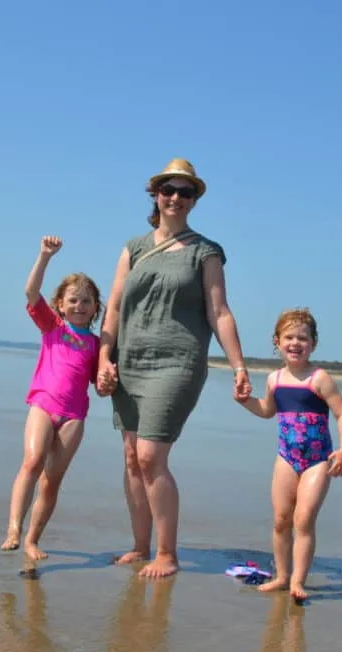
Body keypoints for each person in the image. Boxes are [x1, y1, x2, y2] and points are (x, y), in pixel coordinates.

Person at [96, 158, 252, 579]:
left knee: (150, 455)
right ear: (156, 195)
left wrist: (239, 364)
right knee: (131, 457)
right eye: (169, 190)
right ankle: (139, 546)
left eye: (186, 192)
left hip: (177, 362)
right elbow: (112, 307)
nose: (176, 198)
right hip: (130, 360)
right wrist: (103, 360)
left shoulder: (206, 252)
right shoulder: (133, 248)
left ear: (195, 200)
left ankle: (167, 554)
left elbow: (219, 312)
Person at [235, 308, 342, 601]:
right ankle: (282, 576)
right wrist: (245, 401)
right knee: (281, 519)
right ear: (276, 341)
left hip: (318, 460)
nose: (295, 343)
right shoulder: (275, 379)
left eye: (303, 337)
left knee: (303, 519)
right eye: (289, 337)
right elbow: (267, 411)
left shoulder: (319, 378)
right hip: (286, 457)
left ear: (313, 343)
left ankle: (298, 582)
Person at [1, 235, 104, 563]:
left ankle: (32, 539)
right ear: (60, 304)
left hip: (74, 416)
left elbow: (99, 387)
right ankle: (14, 529)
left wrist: (108, 379)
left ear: (95, 308)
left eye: (86, 301)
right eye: (73, 300)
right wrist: (44, 256)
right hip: (44, 405)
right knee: (31, 463)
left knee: (52, 480)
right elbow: (31, 294)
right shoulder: (52, 327)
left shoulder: (97, 345)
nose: (79, 306)